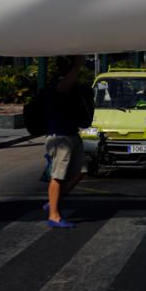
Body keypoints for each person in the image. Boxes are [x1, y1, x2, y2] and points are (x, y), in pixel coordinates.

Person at [45, 55, 85, 229]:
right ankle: (53, 215)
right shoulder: (58, 83)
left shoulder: (68, 83)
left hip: (71, 134)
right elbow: (64, 86)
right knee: (58, 176)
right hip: (60, 136)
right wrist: (77, 65)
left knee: (81, 171)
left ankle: (53, 201)